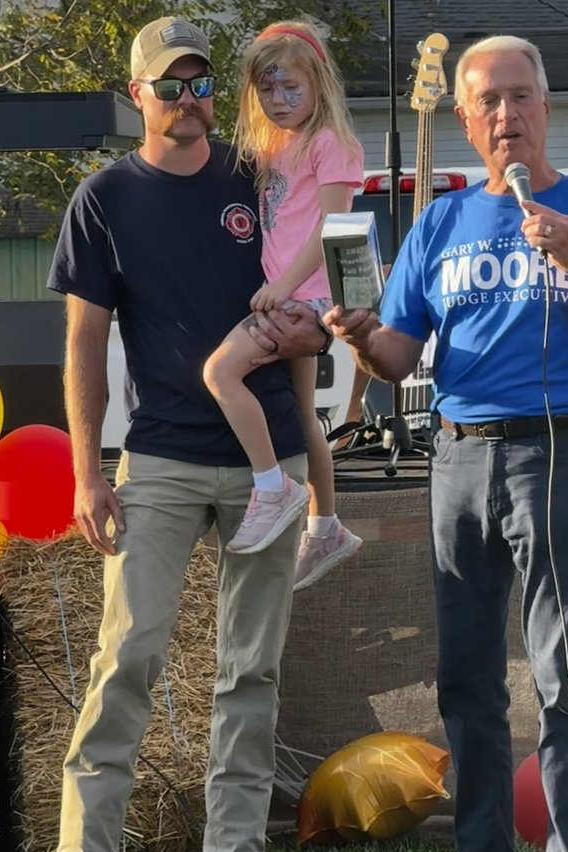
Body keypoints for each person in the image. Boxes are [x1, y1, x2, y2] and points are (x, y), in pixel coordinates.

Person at [326, 35, 568, 852]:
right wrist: (360, 336)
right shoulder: (441, 223)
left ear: (546, 107)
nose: (506, 116)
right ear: (465, 119)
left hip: (559, 448)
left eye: (521, 98)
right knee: (467, 676)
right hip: (457, 454)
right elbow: (400, 352)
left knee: (564, 670)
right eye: (488, 102)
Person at [46, 15, 325, 852]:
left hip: (267, 459)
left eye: (202, 84)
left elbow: (322, 288)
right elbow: (84, 346)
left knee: (251, 668)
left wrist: (312, 323)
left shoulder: (262, 177)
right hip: (158, 457)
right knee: (128, 651)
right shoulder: (103, 199)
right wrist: (88, 471)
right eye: (170, 85)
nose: (188, 100)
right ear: (137, 95)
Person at [202, 21, 364, 590]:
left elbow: (330, 227)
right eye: (267, 90)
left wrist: (284, 286)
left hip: (307, 295)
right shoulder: (275, 144)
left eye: (291, 88)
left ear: (318, 81)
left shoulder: (331, 143)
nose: (279, 100)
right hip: (288, 291)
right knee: (300, 414)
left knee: (220, 371)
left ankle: (273, 487)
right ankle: (326, 524)